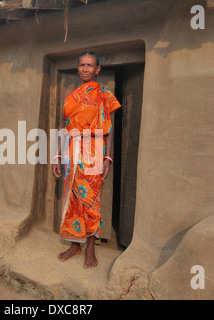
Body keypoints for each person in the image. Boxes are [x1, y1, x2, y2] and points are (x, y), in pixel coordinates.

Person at [52, 52, 122, 269]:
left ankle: (90, 247)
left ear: (97, 69)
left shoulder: (104, 95)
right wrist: (57, 155)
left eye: (90, 65)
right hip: (71, 152)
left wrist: (108, 158)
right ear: (77, 67)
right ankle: (75, 244)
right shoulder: (69, 93)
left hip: (93, 150)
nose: (85, 69)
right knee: (72, 200)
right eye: (81, 65)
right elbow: (62, 127)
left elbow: (108, 131)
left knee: (91, 201)